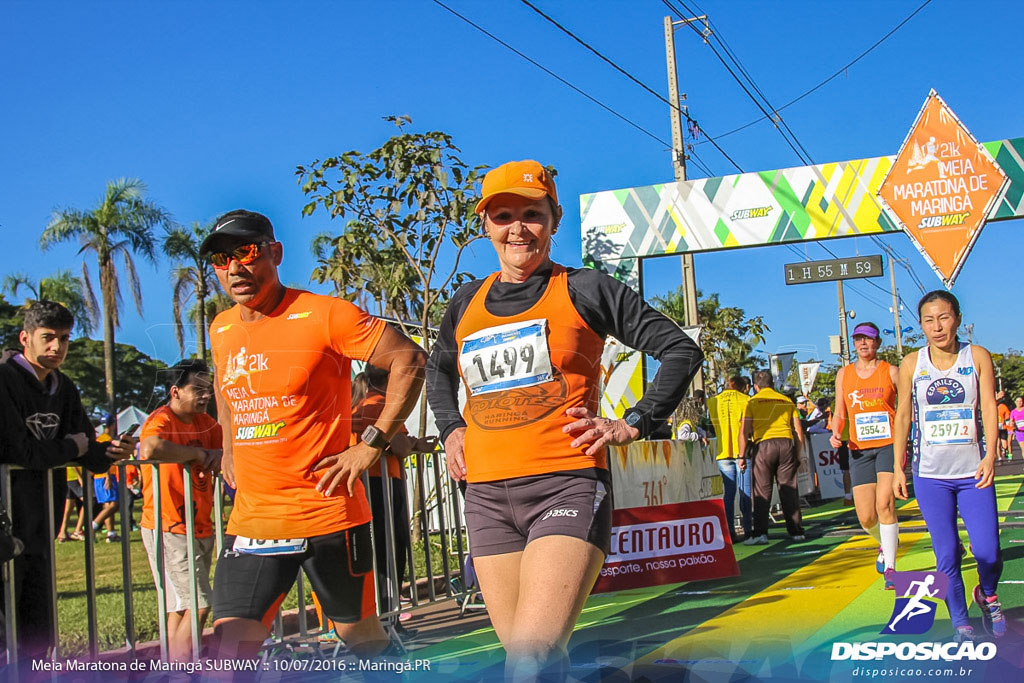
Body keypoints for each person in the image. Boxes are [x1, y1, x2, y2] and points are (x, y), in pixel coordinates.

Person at [426, 160, 702, 679]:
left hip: (566, 485)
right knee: (530, 663)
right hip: (486, 495)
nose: (518, 228)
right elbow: (437, 371)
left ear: (554, 220)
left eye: (532, 214)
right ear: (486, 224)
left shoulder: (587, 288)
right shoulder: (465, 301)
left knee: (532, 656)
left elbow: (680, 351)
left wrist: (633, 422)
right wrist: (450, 428)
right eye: (503, 215)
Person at [200, 209, 426, 661]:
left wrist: (371, 445)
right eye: (221, 260)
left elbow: (410, 361)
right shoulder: (221, 329)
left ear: (274, 252)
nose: (235, 268)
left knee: (360, 636)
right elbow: (225, 390)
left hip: (328, 514)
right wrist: (227, 447)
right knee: (228, 648)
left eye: (245, 252)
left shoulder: (325, 315)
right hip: (255, 521)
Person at [0, 300, 129, 657]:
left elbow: (88, 451)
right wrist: (69, 447)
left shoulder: (64, 386)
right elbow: (16, 451)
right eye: (48, 338)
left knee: (37, 632)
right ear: (25, 337)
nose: (57, 347)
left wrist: (112, 451)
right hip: (6, 519)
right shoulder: (5, 378)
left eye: (64, 338)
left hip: (41, 523)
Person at [893, 291, 1005, 642]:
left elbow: (988, 405)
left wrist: (989, 456)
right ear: (922, 325)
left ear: (957, 317)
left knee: (987, 550)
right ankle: (961, 622)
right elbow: (903, 416)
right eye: (929, 320)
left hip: (974, 472)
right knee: (946, 554)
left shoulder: (978, 356)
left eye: (943, 317)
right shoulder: (912, 363)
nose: (937, 326)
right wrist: (899, 467)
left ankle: (988, 595)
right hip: (930, 475)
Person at [138, 359, 222, 662]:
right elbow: (149, 448)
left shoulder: (205, 423)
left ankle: (175, 669)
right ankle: (184, 669)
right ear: (175, 391)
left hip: (198, 524)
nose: (205, 396)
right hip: (169, 526)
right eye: (197, 390)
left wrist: (220, 454)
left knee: (181, 606)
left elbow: (228, 447)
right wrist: (198, 454)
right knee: (200, 604)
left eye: (207, 390)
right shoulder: (161, 419)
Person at [345, 366, 436, 638]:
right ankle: (387, 621)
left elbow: (396, 442)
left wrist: (413, 443)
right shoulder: (379, 404)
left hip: (373, 483)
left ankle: (386, 620)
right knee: (390, 553)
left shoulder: (365, 403)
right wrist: (409, 445)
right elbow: (396, 445)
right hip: (380, 483)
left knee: (384, 553)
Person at [830, 322, 901, 587]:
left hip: (887, 444)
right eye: (858, 339)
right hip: (858, 449)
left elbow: (905, 407)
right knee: (866, 517)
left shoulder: (891, 372)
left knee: (885, 503)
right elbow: (840, 410)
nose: (863, 343)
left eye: (868, 339)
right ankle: (887, 542)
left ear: (878, 343)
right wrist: (836, 432)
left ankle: (891, 568)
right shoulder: (844, 374)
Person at [741, 369, 806, 544]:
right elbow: (798, 431)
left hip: (763, 445)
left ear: (755, 386)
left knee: (762, 491)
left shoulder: (752, 402)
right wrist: (797, 455)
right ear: (773, 384)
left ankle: (761, 533)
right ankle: (796, 531)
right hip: (786, 443)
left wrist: (741, 456)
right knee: (789, 489)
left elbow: (744, 432)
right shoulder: (786, 400)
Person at [707, 376, 752, 541]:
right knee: (745, 491)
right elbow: (747, 429)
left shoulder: (713, 401)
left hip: (722, 451)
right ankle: (748, 529)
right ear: (743, 387)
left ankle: (729, 531)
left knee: (729, 493)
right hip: (742, 452)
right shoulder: (746, 400)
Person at [91, 415, 121, 542]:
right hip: (106, 475)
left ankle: (111, 533)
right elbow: (105, 459)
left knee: (107, 506)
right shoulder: (107, 439)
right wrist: (108, 476)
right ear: (113, 425)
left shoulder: (100, 438)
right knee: (114, 505)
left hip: (99, 476)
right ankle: (92, 526)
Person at [995, 391, 1012, 460]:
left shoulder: (1003, 407)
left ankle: (1004, 450)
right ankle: (1000, 457)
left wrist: (1005, 420)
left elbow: (1008, 417)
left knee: (1004, 444)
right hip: (995, 427)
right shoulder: (993, 407)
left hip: (1003, 427)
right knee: (998, 443)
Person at [1009, 395, 1024, 460]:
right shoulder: (1013, 412)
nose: (1019, 403)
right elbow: (1011, 422)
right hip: (1019, 432)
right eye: (1017, 401)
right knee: (1023, 449)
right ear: (1015, 402)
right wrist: (1012, 424)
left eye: (1020, 401)